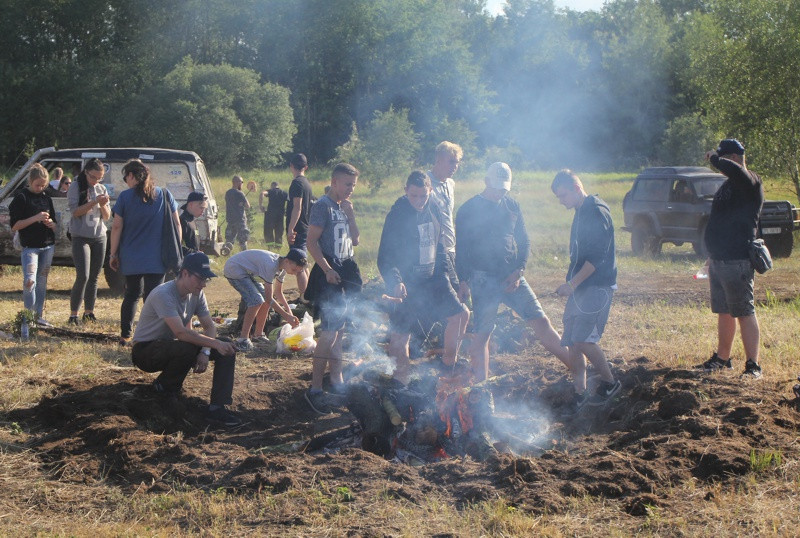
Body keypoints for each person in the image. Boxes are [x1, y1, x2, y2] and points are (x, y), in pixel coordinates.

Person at [455, 162, 571, 381]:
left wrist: (519, 270)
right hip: (482, 279)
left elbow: (523, 241)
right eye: (497, 187)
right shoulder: (468, 210)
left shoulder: (512, 206)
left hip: (512, 278)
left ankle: (578, 369)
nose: (500, 192)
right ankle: (481, 391)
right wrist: (463, 280)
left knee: (541, 322)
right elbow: (461, 250)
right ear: (486, 181)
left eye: (504, 188)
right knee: (483, 335)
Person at [378, 171, 470, 384]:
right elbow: (385, 255)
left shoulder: (435, 208)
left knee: (460, 315)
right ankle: (401, 383)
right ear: (406, 191)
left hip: (434, 278)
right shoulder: (397, 215)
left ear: (430, 191)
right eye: (413, 196)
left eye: (423, 196)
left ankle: (447, 366)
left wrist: (453, 281)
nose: (418, 201)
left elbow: (440, 248)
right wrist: (395, 281)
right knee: (400, 337)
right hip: (407, 284)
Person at [131, 252, 241, 427]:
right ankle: (165, 389)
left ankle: (217, 408)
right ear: (184, 273)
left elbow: (210, 326)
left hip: (173, 346)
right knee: (188, 347)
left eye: (207, 279)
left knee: (226, 346)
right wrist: (214, 344)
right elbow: (181, 333)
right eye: (200, 278)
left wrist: (206, 352)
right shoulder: (164, 293)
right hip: (146, 351)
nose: (204, 284)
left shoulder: (197, 293)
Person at [551, 169, 621, 410]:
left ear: (577, 188)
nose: (562, 202)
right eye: (558, 197)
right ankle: (579, 391)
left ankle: (611, 383)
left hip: (597, 286)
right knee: (571, 339)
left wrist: (572, 284)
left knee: (583, 339)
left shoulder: (596, 210)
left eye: (563, 196)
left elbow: (596, 258)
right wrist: (570, 283)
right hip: (580, 287)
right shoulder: (580, 210)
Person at [698, 139, 764, 378]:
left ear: (734, 158)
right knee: (724, 311)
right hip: (719, 258)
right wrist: (710, 255)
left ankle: (753, 365)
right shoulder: (730, 185)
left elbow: (735, 170)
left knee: (744, 311)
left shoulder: (750, 181)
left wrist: (715, 160)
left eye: (724, 158)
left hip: (737, 259)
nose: (720, 164)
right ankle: (723, 359)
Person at [303, 163, 361, 414]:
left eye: (353, 185)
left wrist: (351, 216)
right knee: (328, 333)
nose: (351, 189)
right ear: (334, 182)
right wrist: (327, 269)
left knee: (339, 329)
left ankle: (337, 381)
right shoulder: (322, 206)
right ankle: (315, 389)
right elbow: (311, 242)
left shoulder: (344, 207)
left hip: (345, 271)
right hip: (328, 275)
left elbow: (355, 240)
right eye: (347, 184)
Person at [109, 159, 182, 346]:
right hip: (158, 257)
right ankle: (153, 335)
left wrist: (113, 253)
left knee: (131, 294)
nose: (126, 182)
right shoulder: (165, 194)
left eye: (126, 178)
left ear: (132, 176)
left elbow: (116, 227)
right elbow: (177, 224)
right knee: (154, 297)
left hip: (131, 257)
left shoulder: (125, 197)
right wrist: (176, 248)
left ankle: (125, 336)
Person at [223, 248, 307, 351]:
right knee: (256, 301)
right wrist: (286, 316)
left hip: (249, 273)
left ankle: (258, 335)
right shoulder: (271, 265)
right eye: (294, 270)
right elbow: (269, 298)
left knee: (265, 301)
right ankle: (243, 340)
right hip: (234, 269)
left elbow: (278, 293)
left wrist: (290, 313)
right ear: (286, 261)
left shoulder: (283, 269)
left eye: (297, 272)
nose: (294, 273)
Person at [10, 163, 57, 327]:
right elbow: (15, 225)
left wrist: (51, 223)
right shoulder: (21, 198)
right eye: (38, 185)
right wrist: (35, 218)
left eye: (44, 185)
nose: (40, 188)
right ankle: (28, 317)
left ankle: (38, 316)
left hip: (47, 245)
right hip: (30, 247)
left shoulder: (46, 197)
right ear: (30, 181)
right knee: (30, 281)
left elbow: (55, 223)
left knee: (42, 281)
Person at [67, 158, 111, 324]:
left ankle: (89, 312)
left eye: (99, 178)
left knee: (94, 276)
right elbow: (75, 212)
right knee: (83, 275)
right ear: (86, 172)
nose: (96, 181)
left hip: (99, 236)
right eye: (93, 177)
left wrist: (103, 205)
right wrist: (94, 201)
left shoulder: (101, 188)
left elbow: (106, 217)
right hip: (80, 236)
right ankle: (73, 314)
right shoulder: (76, 187)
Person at [426, 141, 462, 272]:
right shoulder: (425, 182)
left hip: (451, 246)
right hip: (435, 250)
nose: (455, 166)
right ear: (439, 160)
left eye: (457, 162)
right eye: (451, 162)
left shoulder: (451, 183)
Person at [286, 153, 313, 295]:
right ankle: (309, 296)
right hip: (306, 227)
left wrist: (291, 229)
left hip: (298, 229)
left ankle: (305, 298)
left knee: (298, 266)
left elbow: (298, 206)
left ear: (291, 166)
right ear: (306, 167)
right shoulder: (307, 183)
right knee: (303, 264)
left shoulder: (297, 183)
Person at [224, 175, 250, 252]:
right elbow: (247, 206)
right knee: (243, 240)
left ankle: (225, 254)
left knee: (229, 240)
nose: (242, 184)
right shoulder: (240, 193)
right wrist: (242, 203)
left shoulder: (228, 193)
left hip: (230, 219)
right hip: (240, 220)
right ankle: (244, 255)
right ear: (237, 182)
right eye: (241, 182)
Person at [259, 181, 288, 246]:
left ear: (272, 186)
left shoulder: (271, 191)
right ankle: (278, 247)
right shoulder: (284, 193)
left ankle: (270, 247)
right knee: (279, 232)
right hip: (280, 215)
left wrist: (261, 205)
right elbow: (290, 200)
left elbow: (262, 193)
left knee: (268, 231)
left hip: (270, 215)